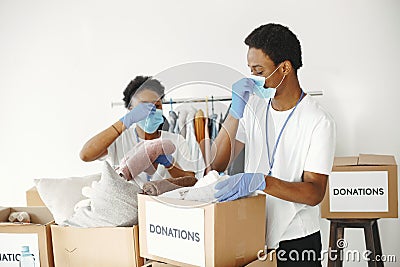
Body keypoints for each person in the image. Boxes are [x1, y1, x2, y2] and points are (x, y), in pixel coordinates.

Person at [211, 23, 336, 266]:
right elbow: (217, 162)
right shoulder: (253, 108)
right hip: (253, 232)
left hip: (297, 240)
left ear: (285, 68)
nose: (254, 78)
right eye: (250, 71)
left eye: (259, 71)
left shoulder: (318, 121)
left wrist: (262, 181)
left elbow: (314, 193)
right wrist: (235, 112)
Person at [80, 76, 204, 187]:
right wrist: (126, 121)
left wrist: (170, 164)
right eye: (144, 106)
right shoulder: (120, 139)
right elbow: (85, 155)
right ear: (131, 108)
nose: (152, 111)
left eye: (157, 105)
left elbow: (191, 181)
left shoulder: (176, 141)